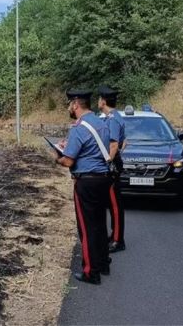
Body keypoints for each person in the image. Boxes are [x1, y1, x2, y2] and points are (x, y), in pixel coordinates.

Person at [55, 90, 112, 284]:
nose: (69, 108)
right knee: (100, 224)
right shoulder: (101, 123)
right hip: (103, 179)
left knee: (87, 228)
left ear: (76, 105)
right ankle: (104, 264)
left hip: (86, 182)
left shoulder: (79, 128)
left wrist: (57, 157)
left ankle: (90, 272)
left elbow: (69, 161)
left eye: (69, 105)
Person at [98, 86, 126, 253]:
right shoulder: (111, 117)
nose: (98, 102)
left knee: (115, 204)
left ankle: (117, 240)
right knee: (111, 203)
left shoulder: (113, 119)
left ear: (103, 101)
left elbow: (114, 144)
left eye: (99, 99)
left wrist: (107, 163)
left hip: (112, 165)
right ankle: (114, 235)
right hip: (113, 162)